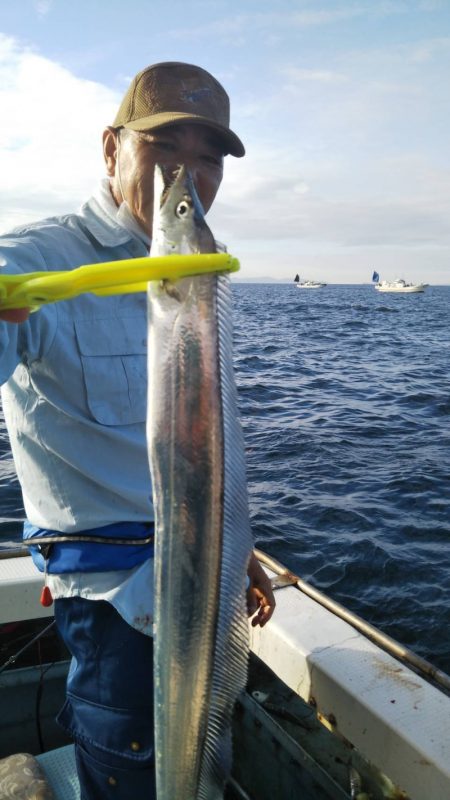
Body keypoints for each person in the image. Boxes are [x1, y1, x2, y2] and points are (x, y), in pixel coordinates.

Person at [0, 62, 275, 798]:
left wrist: (232, 548)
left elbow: (197, 443)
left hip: (205, 575)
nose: (187, 173)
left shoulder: (195, 274)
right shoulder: (34, 262)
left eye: (208, 157)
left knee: (204, 769)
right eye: (165, 148)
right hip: (116, 608)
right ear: (111, 147)